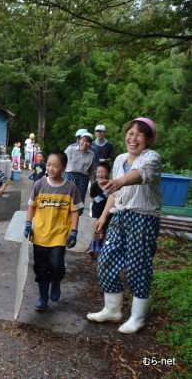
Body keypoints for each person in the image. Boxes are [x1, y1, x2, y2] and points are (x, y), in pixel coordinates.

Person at [87, 117, 162, 334]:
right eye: (131, 132)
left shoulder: (152, 158)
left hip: (143, 217)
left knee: (138, 266)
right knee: (106, 259)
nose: (133, 137)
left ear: (148, 139)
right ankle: (112, 310)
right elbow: (115, 190)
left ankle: (137, 317)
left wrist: (119, 182)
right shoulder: (119, 159)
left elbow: (140, 176)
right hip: (119, 216)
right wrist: (103, 217)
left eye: (140, 134)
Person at [24, 151, 82, 311]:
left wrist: (74, 231)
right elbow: (32, 205)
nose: (50, 168)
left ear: (63, 167)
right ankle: (43, 298)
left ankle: (56, 281)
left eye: (55, 166)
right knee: (40, 268)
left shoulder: (71, 188)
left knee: (56, 265)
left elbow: (75, 211)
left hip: (59, 235)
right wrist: (28, 223)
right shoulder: (39, 185)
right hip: (40, 234)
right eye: (48, 164)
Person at [64, 132, 95, 207]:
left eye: (88, 141)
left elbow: (91, 171)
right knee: (66, 197)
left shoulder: (91, 154)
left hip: (83, 179)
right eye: (83, 140)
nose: (85, 143)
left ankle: (76, 216)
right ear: (79, 140)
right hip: (69, 176)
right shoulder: (70, 149)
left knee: (79, 200)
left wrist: (93, 183)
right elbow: (61, 161)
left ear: (90, 144)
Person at [88, 162, 111, 255]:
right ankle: (93, 245)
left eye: (103, 172)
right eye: (98, 172)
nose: (100, 174)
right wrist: (93, 208)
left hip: (106, 210)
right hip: (96, 210)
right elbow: (92, 198)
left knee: (104, 227)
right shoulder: (94, 185)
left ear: (108, 173)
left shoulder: (110, 185)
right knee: (95, 227)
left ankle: (100, 245)